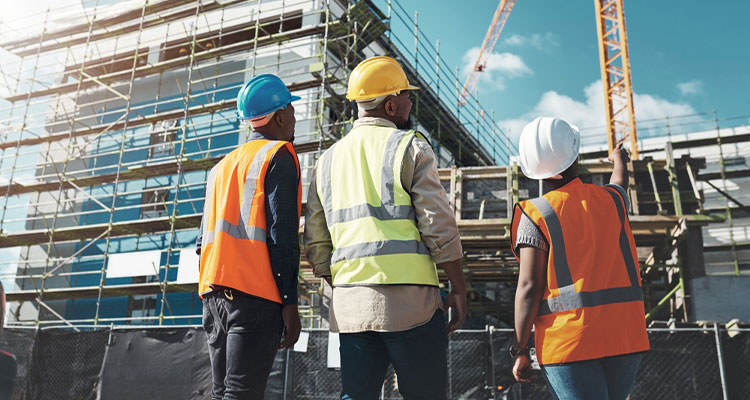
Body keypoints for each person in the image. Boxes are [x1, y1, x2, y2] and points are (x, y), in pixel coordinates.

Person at [304, 56, 467, 399]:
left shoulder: (326, 161)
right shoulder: (410, 147)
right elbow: (438, 226)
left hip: (350, 307)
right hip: (412, 306)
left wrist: (347, 285)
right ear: (391, 105)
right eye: (407, 95)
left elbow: (317, 244)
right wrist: (459, 288)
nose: (411, 101)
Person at [509, 117, 650, 400]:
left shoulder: (535, 213)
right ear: (576, 156)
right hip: (624, 337)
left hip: (569, 343)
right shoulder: (613, 201)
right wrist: (618, 158)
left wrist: (521, 349)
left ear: (535, 171)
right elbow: (620, 181)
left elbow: (529, 288)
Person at [196, 74, 302, 399]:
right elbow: (281, 236)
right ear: (280, 115)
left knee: (221, 393)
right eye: (292, 112)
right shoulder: (279, 155)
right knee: (243, 394)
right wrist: (290, 302)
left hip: (213, 296)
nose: (295, 119)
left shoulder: (220, 167)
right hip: (256, 296)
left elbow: (202, 243)